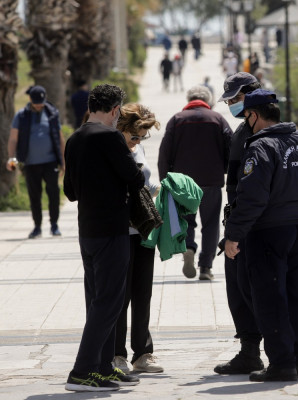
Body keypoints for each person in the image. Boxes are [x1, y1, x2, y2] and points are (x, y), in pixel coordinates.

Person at [224, 89, 298, 382]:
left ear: (253, 115)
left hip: (269, 232)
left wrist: (233, 235)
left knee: (269, 297)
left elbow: (251, 196)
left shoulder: (260, 147)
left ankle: (282, 363)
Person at [63, 84, 144, 392]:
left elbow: (70, 192)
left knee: (100, 301)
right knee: (110, 302)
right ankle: (82, 372)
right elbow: (134, 178)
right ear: (114, 110)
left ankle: (104, 367)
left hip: (88, 232)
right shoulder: (111, 137)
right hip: (112, 229)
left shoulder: (75, 137)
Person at [213, 72, 264, 376]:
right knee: (242, 288)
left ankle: (255, 352)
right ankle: (253, 351)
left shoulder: (254, 133)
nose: (231, 104)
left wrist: (236, 230)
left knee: (247, 288)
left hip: (251, 225)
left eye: (235, 99)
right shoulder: (244, 131)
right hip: (245, 221)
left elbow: (245, 187)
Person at [158, 85, 232, 280]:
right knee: (210, 224)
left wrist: (165, 179)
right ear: (208, 101)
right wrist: (225, 171)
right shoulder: (218, 119)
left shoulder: (177, 120)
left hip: (183, 183)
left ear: (188, 100)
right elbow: (231, 148)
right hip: (211, 181)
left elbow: (164, 153)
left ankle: (189, 248)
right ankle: (206, 267)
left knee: (186, 221)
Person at [112, 103, 164, 374]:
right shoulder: (111, 150)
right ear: (121, 129)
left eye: (143, 136)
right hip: (119, 230)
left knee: (143, 293)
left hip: (143, 230)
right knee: (120, 295)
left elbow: (143, 182)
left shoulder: (137, 147)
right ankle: (117, 354)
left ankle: (143, 353)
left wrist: (163, 188)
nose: (139, 141)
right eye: (135, 136)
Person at [6, 85, 65, 239]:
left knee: (53, 193)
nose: (39, 104)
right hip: (30, 163)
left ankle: (54, 225)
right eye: (36, 101)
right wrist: (12, 158)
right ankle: (37, 226)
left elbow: (59, 138)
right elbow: (13, 139)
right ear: (30, 99)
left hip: (51, 162)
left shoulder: (52, 114)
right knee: (34, 195)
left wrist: (63, 161)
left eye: (41, 101)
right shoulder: (21, 116)